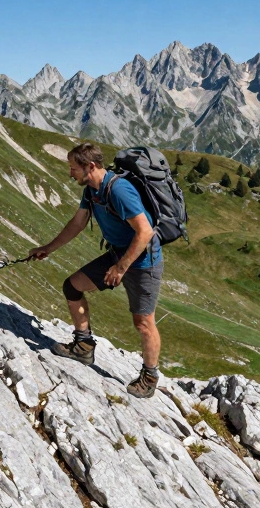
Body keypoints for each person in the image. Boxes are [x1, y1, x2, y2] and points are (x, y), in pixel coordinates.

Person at [29, 143, 164, 398]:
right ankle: (83, 345)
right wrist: (48, 248)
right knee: (73, 286)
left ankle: (150, 376)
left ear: (90, 166)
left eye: (73, 168)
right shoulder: (91, 191)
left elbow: (145, 232)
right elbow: (77, 223)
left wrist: (121, 268)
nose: (71, 174)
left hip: (144, 262)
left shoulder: (119, 191)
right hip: (118, 255)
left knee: (144, 322)